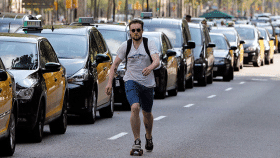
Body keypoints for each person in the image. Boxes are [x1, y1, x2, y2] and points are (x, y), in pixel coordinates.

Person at [105, 19, 160, 154]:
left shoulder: (149, 43)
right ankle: (137, 141)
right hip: (131, 81)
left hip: (147, 83)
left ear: (142, 31)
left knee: (147, 113)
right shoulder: (125, 46)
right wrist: (109, 82)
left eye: (138, 30)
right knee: (135, 107)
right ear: (130, 32)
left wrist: (150, 67)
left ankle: (148, 136)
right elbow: (115, 65)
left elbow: (157, 60)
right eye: (133, 30)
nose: (135, 32)